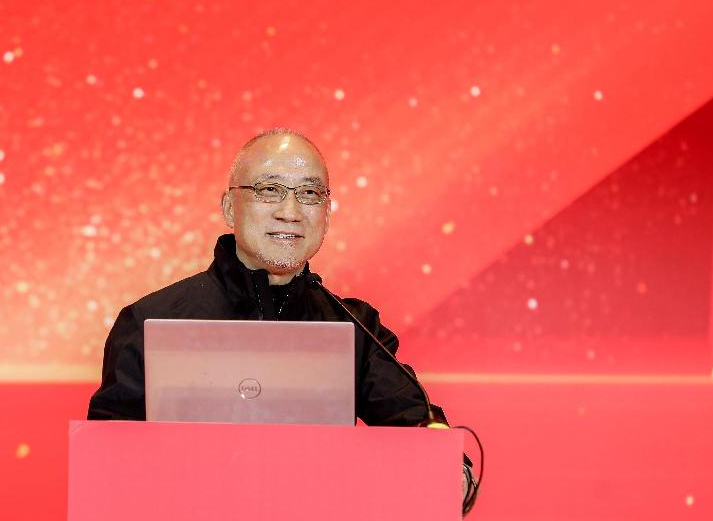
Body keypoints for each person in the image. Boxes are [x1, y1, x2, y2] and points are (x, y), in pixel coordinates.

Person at [87, 128, 448, 427]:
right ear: (229, 208)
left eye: (309, 193)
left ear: (327, 215)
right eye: (269, 190)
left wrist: (453, 467)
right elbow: (109, 459)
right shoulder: (151, 322)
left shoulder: (355, 328)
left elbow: (417, 425)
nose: (290, 212)